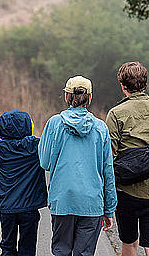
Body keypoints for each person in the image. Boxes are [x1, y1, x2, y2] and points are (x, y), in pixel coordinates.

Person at [38, 75, 117, 256]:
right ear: (89, 98)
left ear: (66, 97)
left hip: (62, 200)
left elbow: (45, 162)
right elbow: (108, 171)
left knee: (61, 251)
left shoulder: (54, 124)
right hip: (92, 203)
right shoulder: (101, 128)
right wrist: (109, 208)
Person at [105, 62, 149, 256]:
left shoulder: (115, 114)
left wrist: (109, 194)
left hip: (126, 193)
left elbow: (109, 158)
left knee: (129, 244)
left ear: (123, 85)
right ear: (145, 83)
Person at [0, 110, 48, 256]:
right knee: (28, 248)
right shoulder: (36, 147)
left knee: (7, 247)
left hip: (7, 208)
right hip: (29, 208)